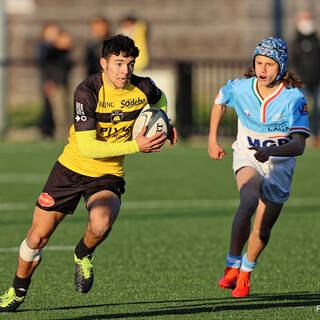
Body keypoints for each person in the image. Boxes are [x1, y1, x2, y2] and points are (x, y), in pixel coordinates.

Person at [0, 34, 178, 312]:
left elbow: (161, 98)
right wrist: (137, 145)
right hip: (70, 168)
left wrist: (164, 121)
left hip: (108, 173)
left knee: (102, 221)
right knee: (37, 237)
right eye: (118, 63)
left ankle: (83, 254)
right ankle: (17, 291)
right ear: (103, 63)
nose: (125, 71)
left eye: (130, 64)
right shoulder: (87, 91)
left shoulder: (142, 87)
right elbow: (88, 146)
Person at [208, 37, 310, 298]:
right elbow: (219, 101)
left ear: (282, 67)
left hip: (279, 166)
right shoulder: (241, 88)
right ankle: (232, 265)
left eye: (269, 65)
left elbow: (298, 146)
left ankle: (246, 270)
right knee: (248, 200)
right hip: (248, 156)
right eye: (259, 63)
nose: (263, 70)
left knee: (263, 228)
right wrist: (212, 140)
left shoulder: (293, 98)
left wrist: (272, 151)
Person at [36, 23, 73, 139]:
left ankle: (64, 134)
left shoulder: (61, 49)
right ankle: (52, 133)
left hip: (61, 81)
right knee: (54, 110)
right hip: (51, 82)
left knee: (62, 109)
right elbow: (44, 61)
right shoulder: (45, 47)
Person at [292, 11, 320, 146]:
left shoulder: (316, 41)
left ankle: (316, 135)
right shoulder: (296, 42)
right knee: (299, 110)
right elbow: (294, 62)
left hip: (316, 81)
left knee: (316, 110)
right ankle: (297, 135)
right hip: (301, 82)